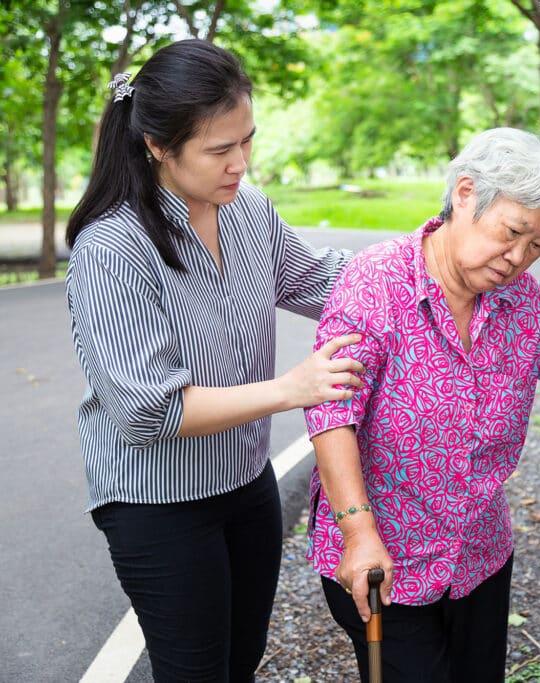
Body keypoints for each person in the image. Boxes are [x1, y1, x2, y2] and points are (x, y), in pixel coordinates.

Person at [64, 39, 364, 682]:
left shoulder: (249, 210)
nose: (241, 163)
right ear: (157, 146)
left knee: (240, 661)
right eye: (220, 150)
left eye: (247, 141)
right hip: (157, 502)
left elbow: (322, 281)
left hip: (246, 482)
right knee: (195, 673)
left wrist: (442, 257)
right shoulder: (112, 248)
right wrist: (292, 390)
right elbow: (149, 409)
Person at [304, 127, 540, 682]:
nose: (517, 257)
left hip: (478, 554)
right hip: (387, 560)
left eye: (536, 245)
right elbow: (331, 412)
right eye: (512, 232)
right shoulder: (377, 281)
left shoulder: (517, 298)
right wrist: (359, 534)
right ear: (464, 195)